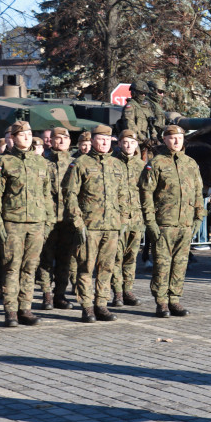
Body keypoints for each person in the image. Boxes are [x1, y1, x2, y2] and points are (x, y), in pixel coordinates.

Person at [63, 125, 129, 323]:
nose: (104, 143)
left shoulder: (117, 165)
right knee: (85, 267)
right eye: (100, 139)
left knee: (107, 267)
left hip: (112, 226)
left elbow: (123, 195)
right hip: (89, 226)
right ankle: (87, 307)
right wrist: (78, 222)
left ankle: (101, 304)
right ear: (92, 140)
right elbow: (70, 194)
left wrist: (123, 218)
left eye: (108, 140)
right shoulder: (80, 164)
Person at [0, 120, 51, 327]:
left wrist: (48, 221)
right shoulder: (4, 162)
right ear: (13, 138)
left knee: (30, 267)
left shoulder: (41, 162)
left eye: (29, 133)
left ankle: (25, 308)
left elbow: (46, 195)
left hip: (36, 223)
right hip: (12, 223)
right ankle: (11, 311)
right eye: (22, 134)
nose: (27, 137)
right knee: (11, 267)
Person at [140, 124, 204, 317]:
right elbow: (146, 194)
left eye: (180, 138)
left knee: (180, 263)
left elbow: (198, 192)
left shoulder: (191, 163)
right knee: (162, 264)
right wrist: (150, 222)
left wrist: (198, 217)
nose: (177, 141)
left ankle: (174, 299)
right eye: (172, 138)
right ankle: (161, 302)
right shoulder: (156, 163)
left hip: (185, 223)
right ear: (165, 139)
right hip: (164, 223)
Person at [38, 127, 77, 309]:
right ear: (51, 141)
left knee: (65, 259)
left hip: (68, 219)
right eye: (58, 138)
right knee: (46, 258)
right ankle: (46, 294)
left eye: (65, 138)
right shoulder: (43, 163)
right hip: (49, 218)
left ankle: (60, 294)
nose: (61, 142)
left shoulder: (76, 163)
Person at [110, 130, 146, 308]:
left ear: (136, 144)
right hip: (117, 219)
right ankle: (117, 291)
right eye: (125, 142)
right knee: (116, 256)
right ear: (119, 144)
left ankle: (128, 290)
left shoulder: (142, 166)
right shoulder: (113, 164)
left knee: (131, 257)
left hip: (137, 218)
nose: (128, 145)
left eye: (132, 142)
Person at [120, 80, 152, 146]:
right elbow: (130, 123)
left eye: (145, 94)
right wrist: (143, 138)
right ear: (134, 92)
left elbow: (151, 123)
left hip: (146, 139)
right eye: (141, 93)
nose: (143, 95)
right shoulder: (130, 106)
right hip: (134, 140)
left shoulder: (145, 107)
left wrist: (154, 136)